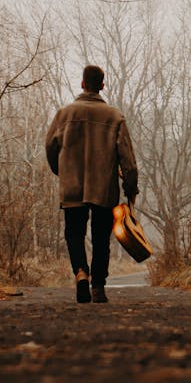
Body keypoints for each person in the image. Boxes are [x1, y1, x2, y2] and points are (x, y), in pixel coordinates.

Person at [45, 64, 139, 304]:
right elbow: (128, 159)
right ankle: (98, 285)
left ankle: (80, 273)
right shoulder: (114, 117)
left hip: (72, 185)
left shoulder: (64, 115)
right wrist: (130, 188)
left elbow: (50, 147)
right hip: (104, 188)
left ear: (83, 84)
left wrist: (61, 171)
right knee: (100, 239)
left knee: (74, 234)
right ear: (102, 86)